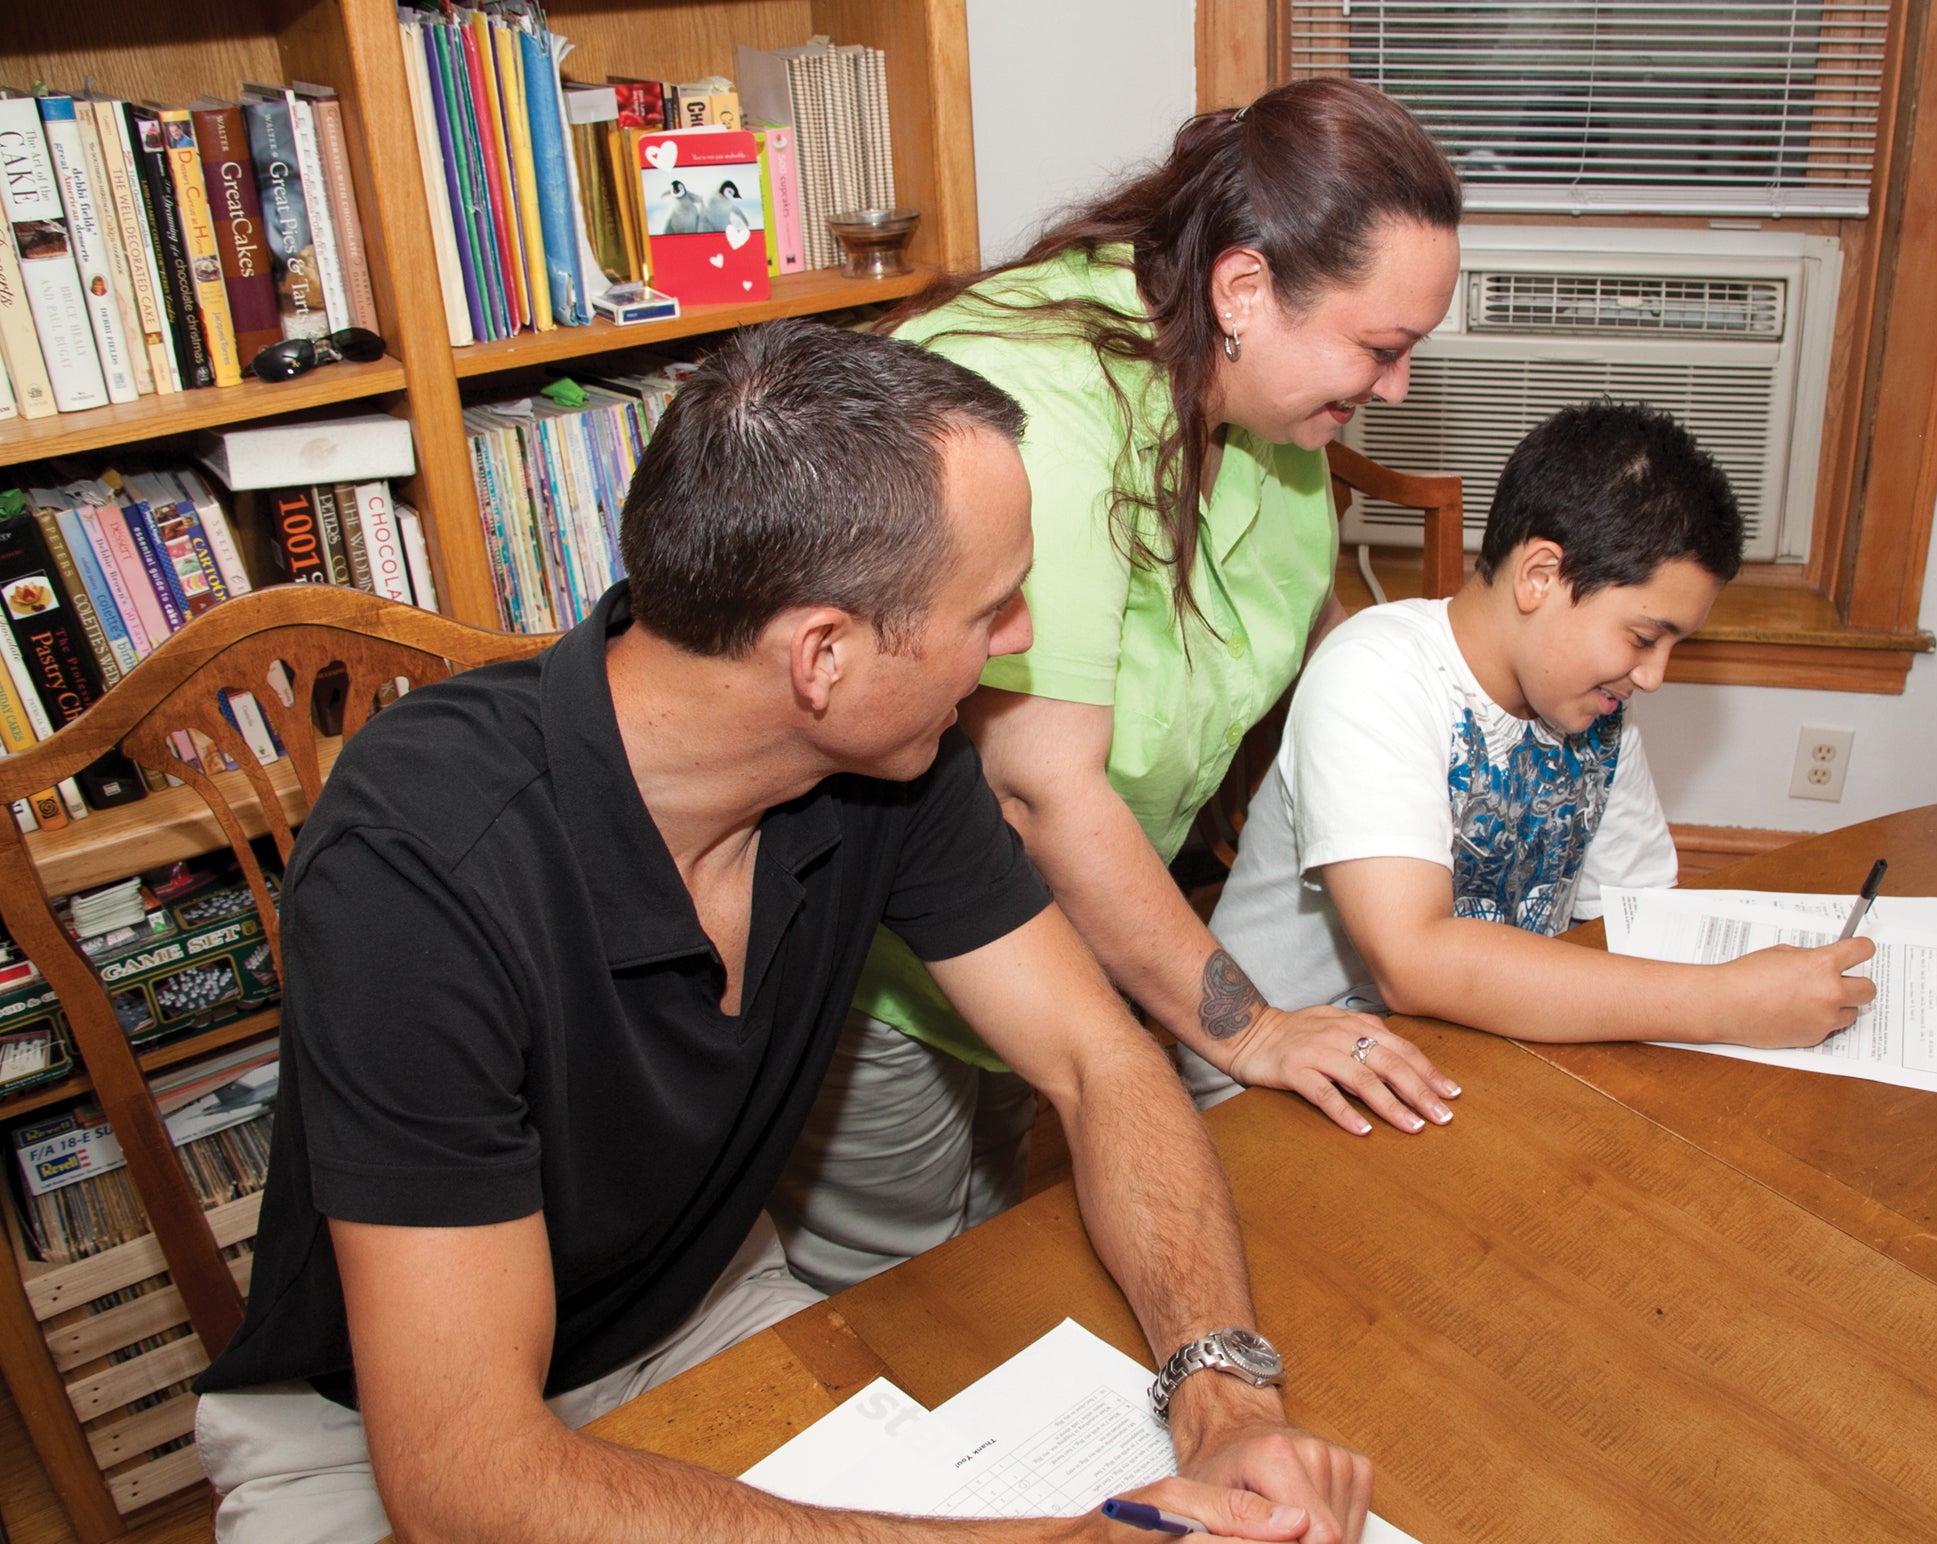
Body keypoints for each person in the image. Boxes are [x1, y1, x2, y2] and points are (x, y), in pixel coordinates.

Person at [191, 321, 1372, 1544]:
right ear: (824, 654)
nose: (1016, 638)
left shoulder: (892, 759)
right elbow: (463, 1482)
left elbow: (1100, 1059)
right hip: (370, 1435)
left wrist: (1221, 1380)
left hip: (694, 1312)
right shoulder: (415, 864)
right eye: (992, 604)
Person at [771, 79, 1471, 1300]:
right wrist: (1249, 1028)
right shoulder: (1037, 410)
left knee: (1007, 1264)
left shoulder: (1265, 413)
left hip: (1063, 955)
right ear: (1245, 289)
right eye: (1380, 347)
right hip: (895, 972)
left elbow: (1322, 652)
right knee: (894, 1312)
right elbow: (1042, 791)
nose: (1396, 388)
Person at [1201, 403, 1876, 1067]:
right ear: (1539, 576)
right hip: (1272, 1086)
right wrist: (1727, 1004)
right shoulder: (1375, 670)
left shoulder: (1591, 708)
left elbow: (1633, 922)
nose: (1653, 676)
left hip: (1463, 1055)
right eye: (1643, 637)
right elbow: (1415, 961)